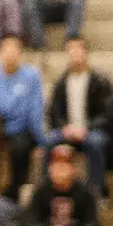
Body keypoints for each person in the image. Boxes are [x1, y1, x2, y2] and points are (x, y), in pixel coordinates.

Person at [0, 35, 45, 196]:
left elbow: (35, 110)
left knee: (19, 149)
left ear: (21, 54)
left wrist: (41, 141)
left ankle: (13, 193)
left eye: (15, 50)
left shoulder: (31, 76)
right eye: (7, 50)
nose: (11, 54)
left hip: (21, 129)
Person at [45, 37, 112, 192]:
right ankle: (48, 189)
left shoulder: (100, 81)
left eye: (78, 50)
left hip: (92, 130)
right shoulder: (61, 82)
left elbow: (108, 115)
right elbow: (54, 112)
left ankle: (96, 190)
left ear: (86, 53)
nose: (75, 54)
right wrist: (65, 128)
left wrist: (86, 128)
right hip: (67, 131)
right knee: (49, 141)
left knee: (96, 143)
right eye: (71, 51)